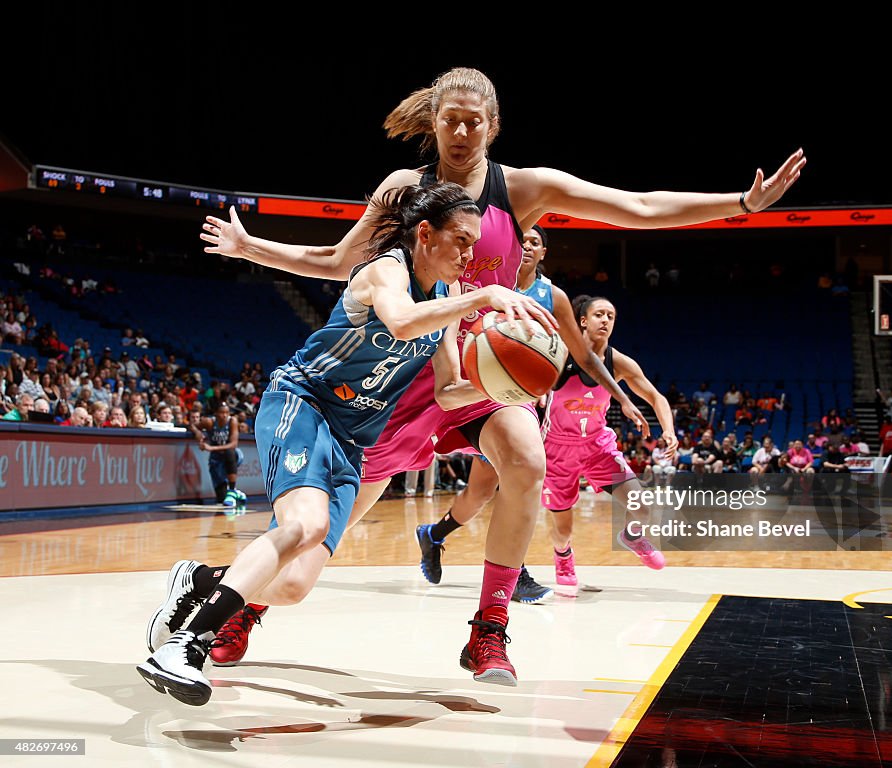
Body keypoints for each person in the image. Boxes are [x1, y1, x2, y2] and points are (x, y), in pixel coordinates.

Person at [197, 67, 805, 679]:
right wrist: (251, 248)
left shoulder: (523, 189)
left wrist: (743, 204)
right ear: (433, 123)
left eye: (473, 121)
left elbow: (638, 207)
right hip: (405, 374)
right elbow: (337, 260)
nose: (460, 132)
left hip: (485, 373)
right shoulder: (406, 188)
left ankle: (489, 629)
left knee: (526, 462)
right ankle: (244, 606)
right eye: (449, 120)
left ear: (493, 125)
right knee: (325, 535)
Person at [139, 182, 555, 705]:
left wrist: (506, 384)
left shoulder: (447, 297)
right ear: (425, 234)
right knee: (304, 526)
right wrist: (487, 295)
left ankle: (198, 580)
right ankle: (184, 645)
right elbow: (401, 322)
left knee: (291, 587)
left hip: (350, 439)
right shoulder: (386, 269)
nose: (472, 255)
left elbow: (448, 393)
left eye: (475, 245)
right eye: (461, 241)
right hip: (304, 402)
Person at [409, 225, 649, 602]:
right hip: (474, 387)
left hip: (516, 401)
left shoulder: (551, 296)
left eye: (535, 243)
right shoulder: (485, 280)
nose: (526, 247)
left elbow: (584, 356)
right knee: (479, 492)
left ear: (543, 253)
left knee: (511, 478)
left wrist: (621, 398)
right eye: (521, 241)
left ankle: (503, 570)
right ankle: (435, 535)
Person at [540, 295, 674, 587]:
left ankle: (632, 536)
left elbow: (656, 397)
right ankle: (563, 557)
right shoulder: (561, 354)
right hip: (557, 448)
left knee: (642, 505)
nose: (605, 320)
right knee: (563, 529)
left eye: (611, 316)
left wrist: (669, 430)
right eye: (599, 314)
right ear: (583, 321)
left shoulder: (619, 362)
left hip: (597, 446)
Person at [189, 402, 246, 510]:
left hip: (233, 455)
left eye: (227, 413)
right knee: (221, 499)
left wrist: (211, 448)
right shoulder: (209, 422)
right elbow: (192, 425)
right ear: (215, 413)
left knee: (230, 452)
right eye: (222, 412)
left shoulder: (232, 421)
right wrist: (197, 432)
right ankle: (237, 494)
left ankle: (232, 489)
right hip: (216, 458)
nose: (224, 415)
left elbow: (234, 444)